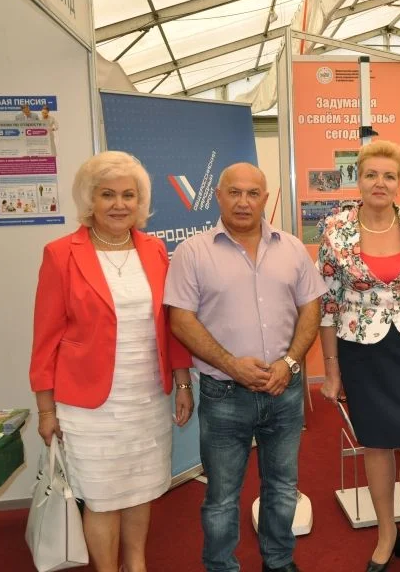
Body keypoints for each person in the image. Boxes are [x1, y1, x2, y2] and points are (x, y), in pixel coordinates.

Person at [28, 151, 194, 572]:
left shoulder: (155, 250)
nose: (119, 204)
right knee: (101, 496)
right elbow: (45, 341)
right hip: (88, 406)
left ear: (141, 201)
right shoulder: (61, 254)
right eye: (107, 195)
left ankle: (135, 564)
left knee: (140, 488)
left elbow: (170, 323)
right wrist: (45, 410)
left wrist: (183, 382)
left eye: (128, 195)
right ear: (90, 200)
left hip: (146, 397)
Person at [164, 162, 325, 572]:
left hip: (284, 389)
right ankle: (221, 566)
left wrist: (290, 362)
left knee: (283, 487)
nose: (243, 202)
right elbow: (180, 320)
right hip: (224, 394)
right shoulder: (192, 252)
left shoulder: (291, 248)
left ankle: (279, 560)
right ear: (218, 196)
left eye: (253, 193)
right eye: (234, 192)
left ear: (265, 199)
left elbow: (311, 309)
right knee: (221, 496)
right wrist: (232, 365)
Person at [317, 140, 400, 572]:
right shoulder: (335, 230)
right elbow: (328, 305)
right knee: (375, 445)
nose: (380, 183)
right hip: (361, 351)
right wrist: (331, 371)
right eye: (371, 174)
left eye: (389, 176)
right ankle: (386, 534)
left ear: (399, 181)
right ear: (358, 178)